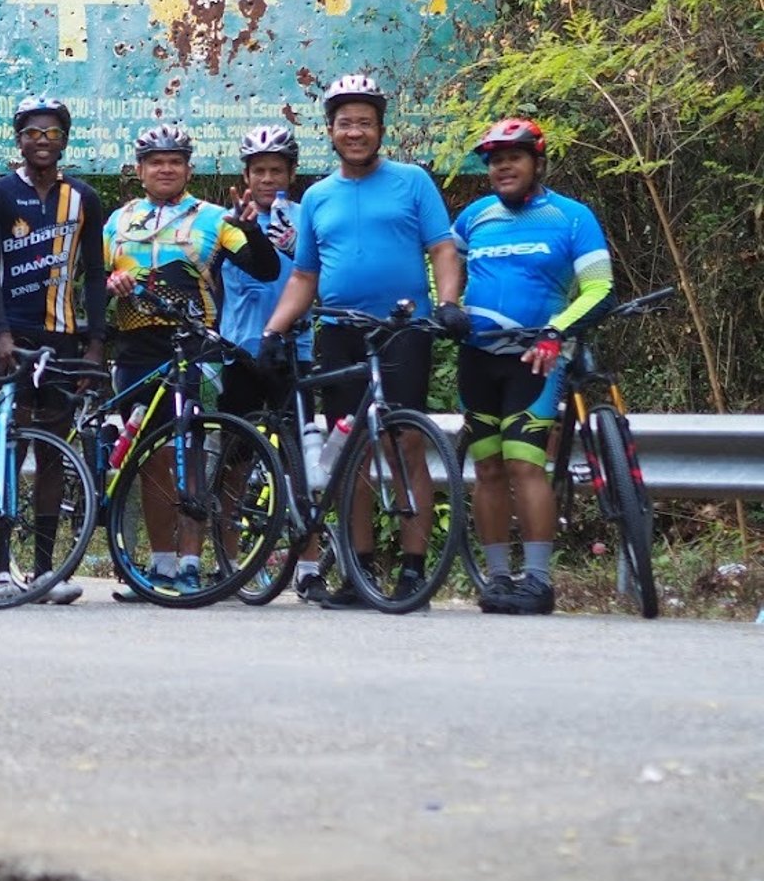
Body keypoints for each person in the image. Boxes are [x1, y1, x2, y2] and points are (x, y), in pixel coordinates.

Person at [258, 74, 470, 608]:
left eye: (365, 123)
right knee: (346, 451)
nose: (355, 132)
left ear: (380, 129)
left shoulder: (412, 182)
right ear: (330, 131)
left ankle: (413, 569)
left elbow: (443, 248)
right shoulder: (318, 197)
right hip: (339, 333)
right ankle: (359, 569)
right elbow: (304, 276)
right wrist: (272, 331)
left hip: (401, 330)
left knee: (405, 444)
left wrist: (448, 304)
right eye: (345, 123)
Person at [103, 124, 280, 597]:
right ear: (140, 171)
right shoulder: (116, 222)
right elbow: (94, 281)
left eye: (175, 160)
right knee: (150, 456)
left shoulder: (215, 218)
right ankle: (160, 565)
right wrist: (109, 286)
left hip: (196, 346)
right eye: (156, 161)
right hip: (136, 349)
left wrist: (249, 230)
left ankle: (190, 561)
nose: (166, 167)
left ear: (188, 168)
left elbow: (266, 268)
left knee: (192, 451)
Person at [455, 117, 613, 616]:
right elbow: (445, 273)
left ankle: (538, 582)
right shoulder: (474, 217)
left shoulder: (571, 217)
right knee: (486, 467)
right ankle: (499, 580)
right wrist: (448, 306)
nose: (503, 166)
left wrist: (555, 331)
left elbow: (600, 288)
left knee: (525, 462)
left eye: (514, 157)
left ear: (536, 162)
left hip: (536, 357)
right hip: (477, 356)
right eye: (495, 159)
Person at [0, 95, 108, 604]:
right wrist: (1, 334)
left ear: (65, 139)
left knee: (54, 451)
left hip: (63, 336)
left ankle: (46, 570)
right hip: (15, 334)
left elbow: (95, 272)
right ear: (19, 139)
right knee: (10, 448)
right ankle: (0, 568)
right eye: (32, 133)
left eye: (51, 133)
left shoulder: (84, 198)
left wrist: (96, 344)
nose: (42, 141)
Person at [216, 124, 325, 600]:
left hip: (293, 350)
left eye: (276, 170)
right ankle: (227, 562)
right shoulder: (224, 222)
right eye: (258, 170)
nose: (266, 179)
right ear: (245, 174)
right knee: (234, 459)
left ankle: (310, 568)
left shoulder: (308, 219)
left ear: (292, 174)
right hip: (239, 348)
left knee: (298, 460)